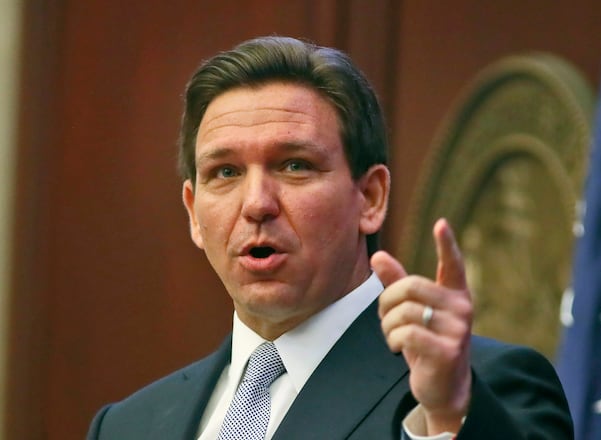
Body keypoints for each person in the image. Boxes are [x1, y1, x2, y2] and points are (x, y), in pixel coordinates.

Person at [87, 36, 573, 439]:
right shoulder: (129, 425)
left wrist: (448, 414)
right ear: (194, 213)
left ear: (371, 197)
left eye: (295, 165)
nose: (256, 203)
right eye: (226, 171)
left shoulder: (478, 388)